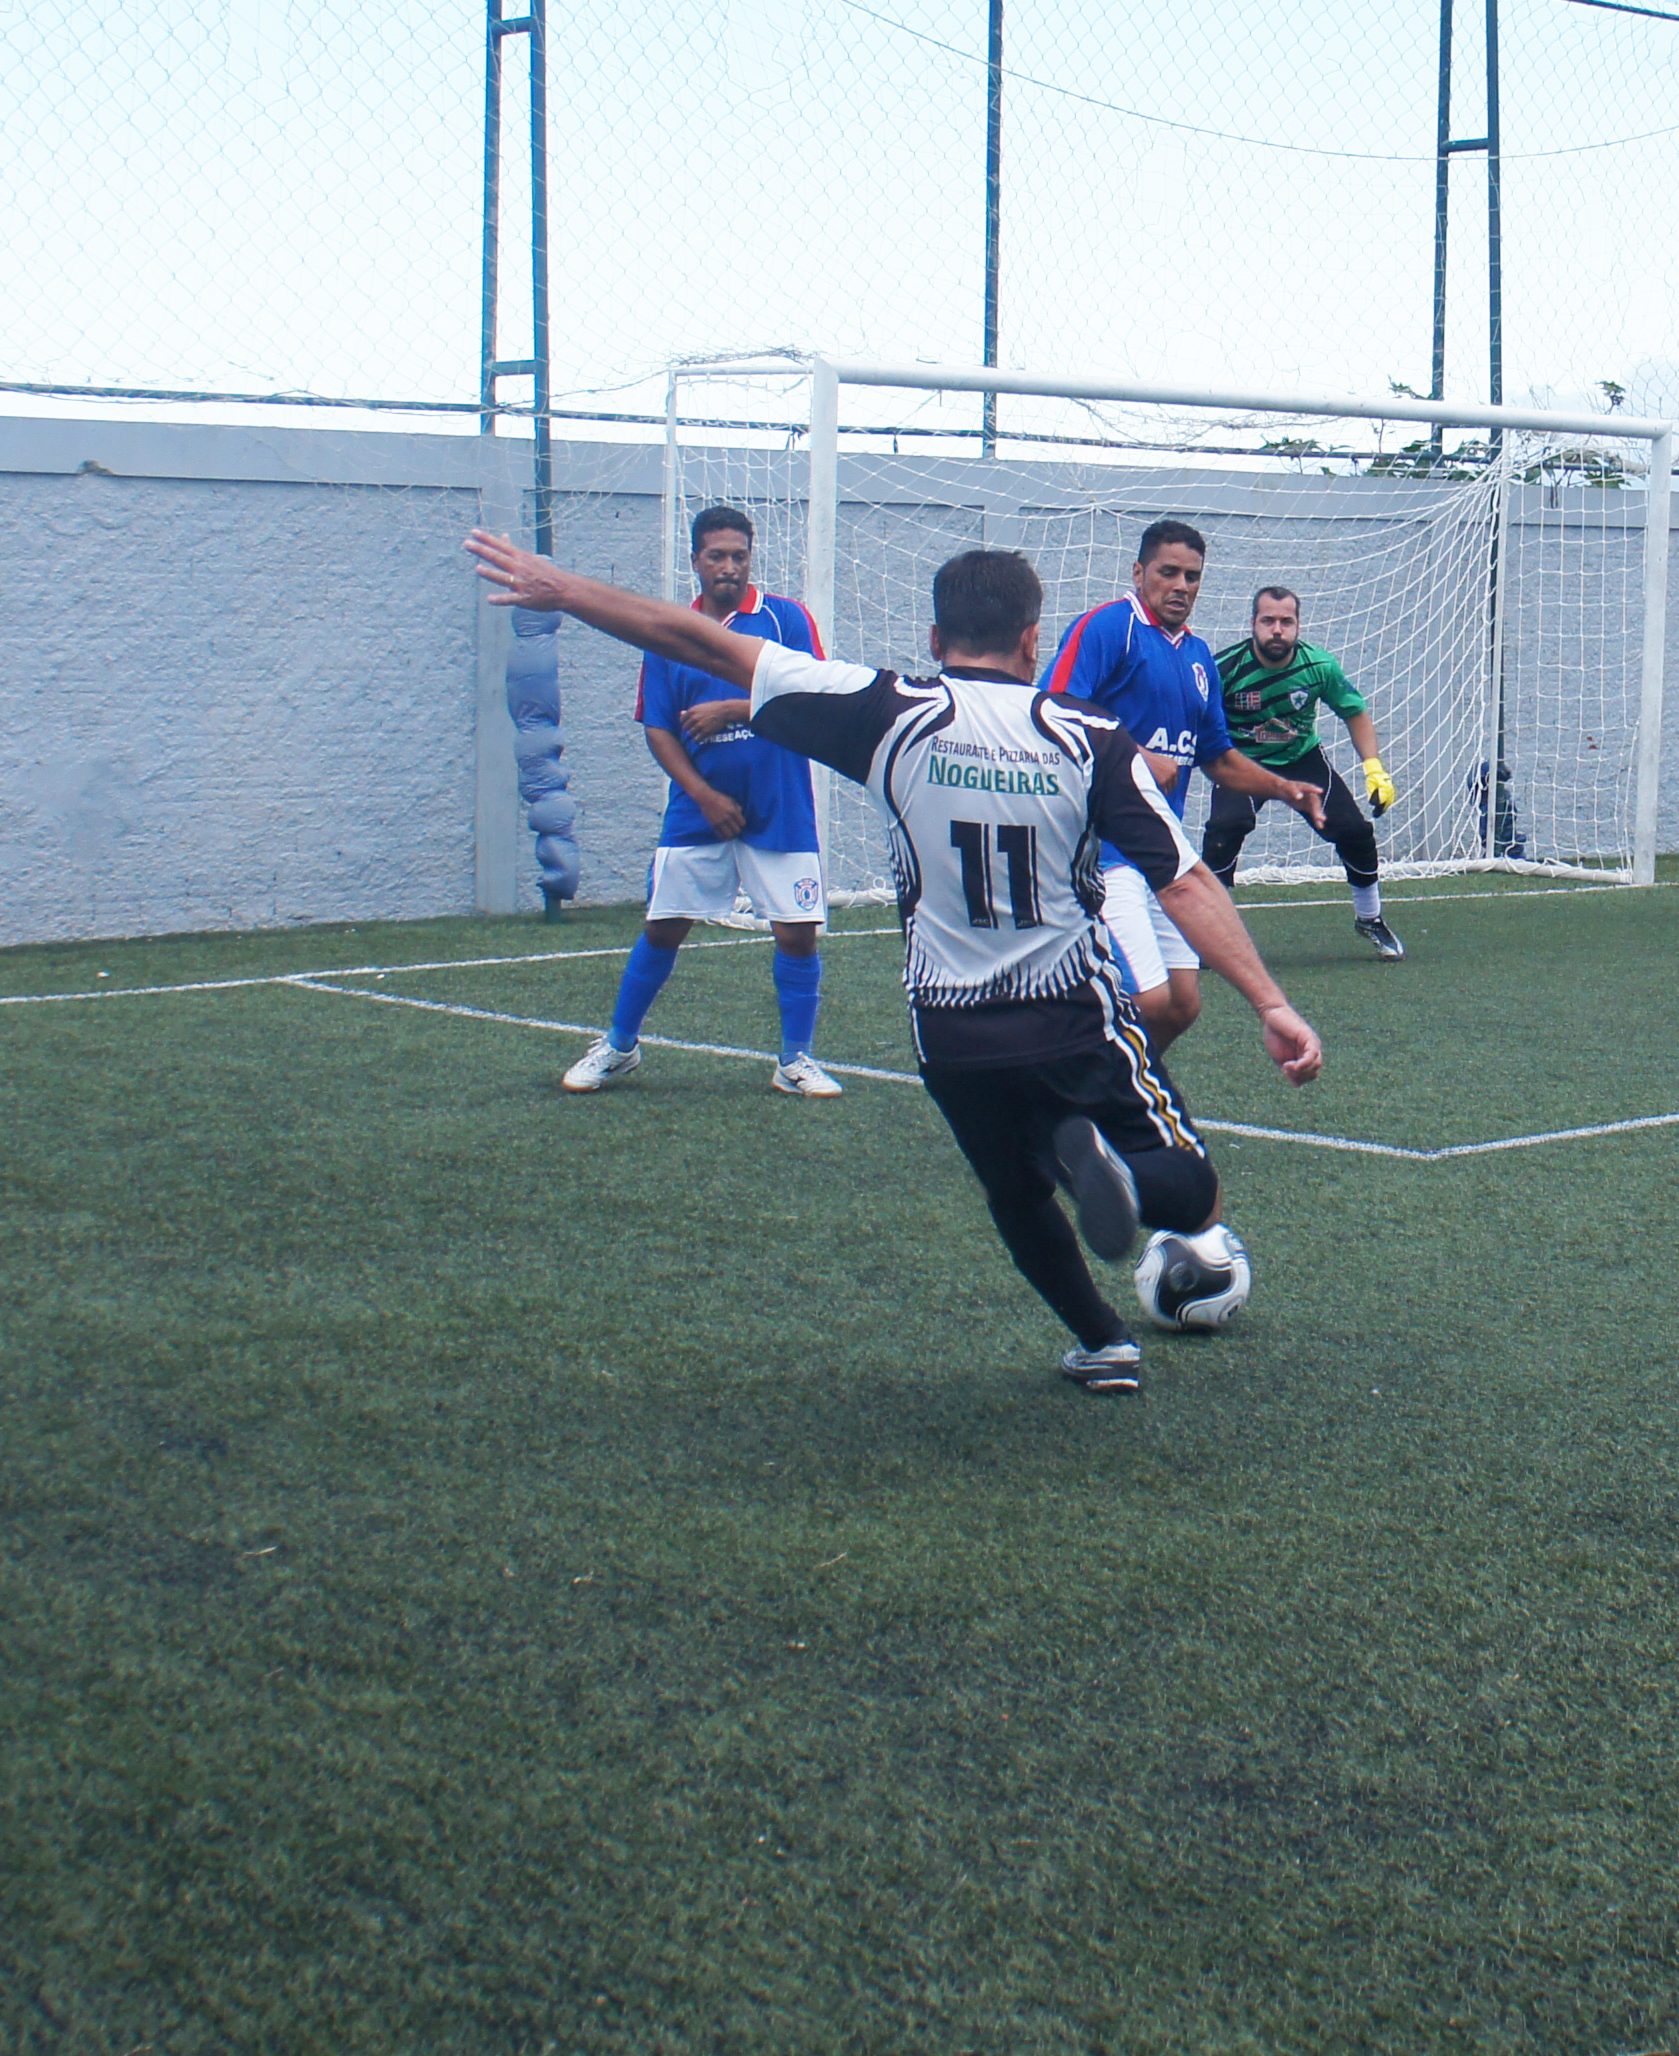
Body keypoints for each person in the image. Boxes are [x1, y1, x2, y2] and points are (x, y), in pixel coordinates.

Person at [470, 529, 1323, 1396]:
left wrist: (566, 590)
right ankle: (1124, 1187)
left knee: (1012, 1190)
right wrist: (1270, 1002)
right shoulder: (1092, 739)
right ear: (1034, 642)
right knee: (1189, 1188)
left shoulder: (887, 711)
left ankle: (1102, 1344)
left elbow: (698, 640)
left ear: (933, 640)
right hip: (1071, 1014)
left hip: (949, 1028)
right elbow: (1182, 881)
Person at [562, 506, 841, 1097]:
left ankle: (795, 1060)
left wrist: (736, 710)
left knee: (796, 934)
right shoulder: (671, 633)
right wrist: (703, 794)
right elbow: (658, 727)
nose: (730, 567)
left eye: (740, 555)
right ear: (696, 561)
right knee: (664, 927)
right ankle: (618, 1046)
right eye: (717, 556)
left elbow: (817, 696)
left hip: (780, 803)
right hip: (697, 810)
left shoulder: (785, 620)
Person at [1042, 522, 1336, 1046]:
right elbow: (1049, 715)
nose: (1181, 585)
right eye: (1168, 572)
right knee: (1148, 999)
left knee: (1182, 1003)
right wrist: (1130, 755)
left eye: (1193, 577)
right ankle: (1082, 1101)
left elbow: (1217, 757)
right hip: (1101, 851)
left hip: (1159, 852)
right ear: (1139, 572)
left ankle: (1114, 1097)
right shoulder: (1109, 628)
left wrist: (1282, 786)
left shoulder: (1199, 656)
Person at [1206, 585, 1404, 961]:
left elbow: (1354, 712)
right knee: (1225, 828)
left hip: (1301, 759)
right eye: (1268, 621)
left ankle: (1370, 918)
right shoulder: (1224, 669)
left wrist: (1375, 769)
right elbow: (1198, 719)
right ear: (1253, 624)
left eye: (1286, 621)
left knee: (1355, 832)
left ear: (1298, 625)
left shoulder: (1319, 666)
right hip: (1242, 761)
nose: (1277, 629)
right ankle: (1212, 930)